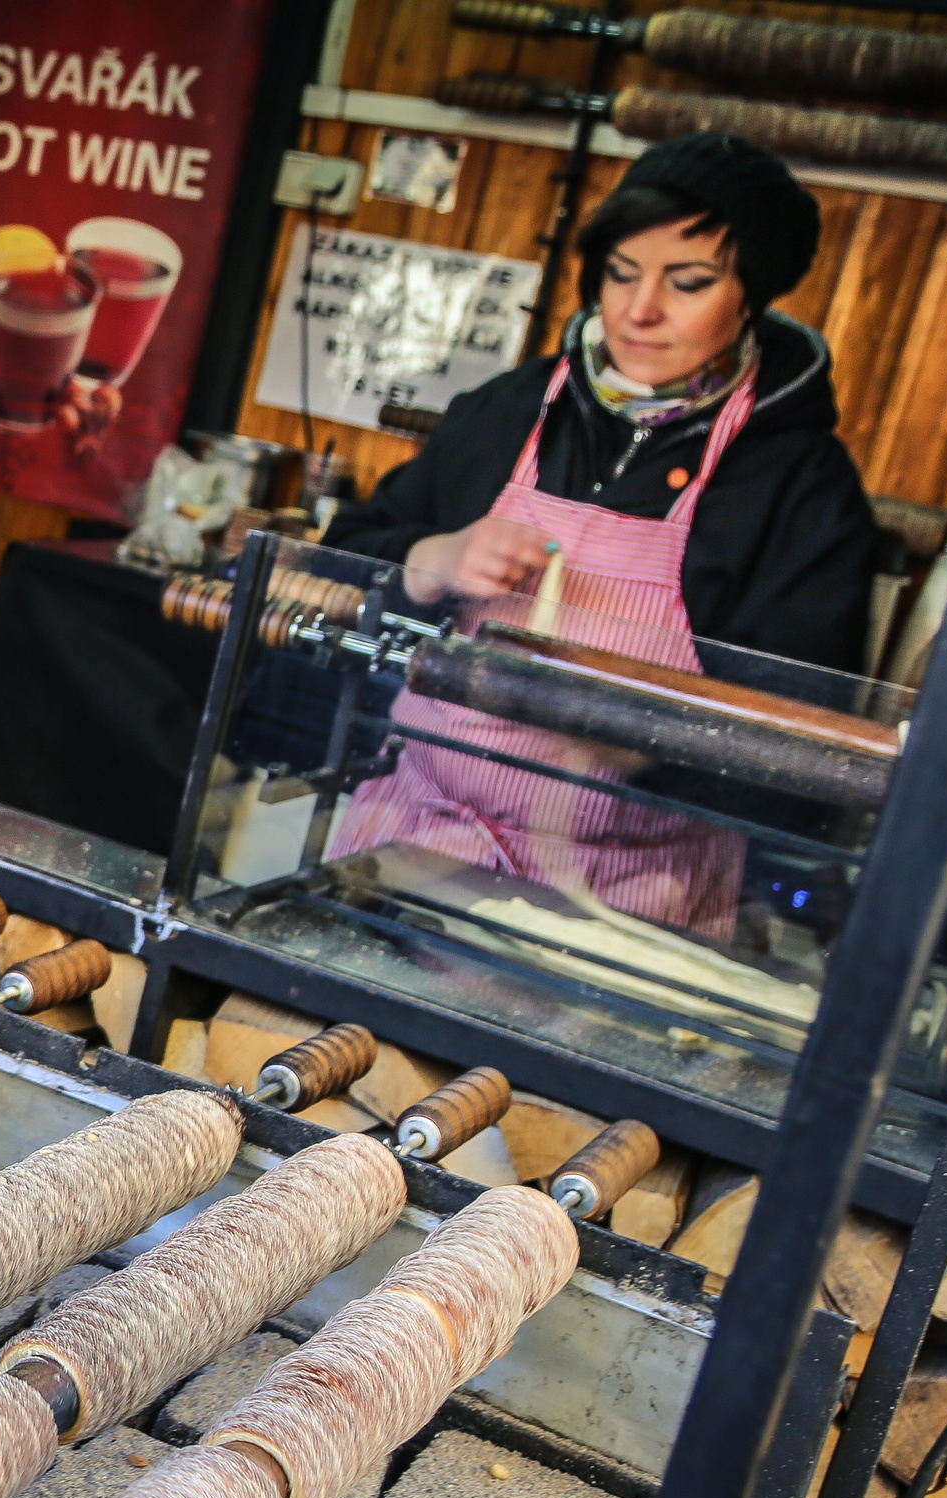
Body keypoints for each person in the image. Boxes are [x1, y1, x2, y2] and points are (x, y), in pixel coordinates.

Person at [319, 131, 878, 934]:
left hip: (622, 912)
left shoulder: (797, 486)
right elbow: (336, 564)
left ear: (751, 294)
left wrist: (639, 746)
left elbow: (806, 767)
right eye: (621, 273)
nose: (638, 309)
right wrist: (429, 560)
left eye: (687, 283)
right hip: (405, 853)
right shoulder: (511, 410)